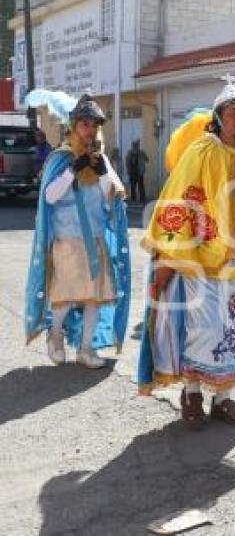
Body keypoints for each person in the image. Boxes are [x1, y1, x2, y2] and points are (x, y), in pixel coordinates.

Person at [137, 75, 235, 431]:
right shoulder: (201, 152)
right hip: (202, 262)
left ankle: (224, 398)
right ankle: (192, 394)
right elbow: (180, 202)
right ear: (219, 116)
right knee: (203, 331)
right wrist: (169, 259)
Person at [25, 94, 131, 368]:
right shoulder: (60, 159)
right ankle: (56, 334)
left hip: (95, 241)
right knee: (66, 297)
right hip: (66, 242)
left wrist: (103, 173)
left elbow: (114, 198)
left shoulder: (102, 160)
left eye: (94, 124)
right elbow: (49, 197)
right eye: (84, 124)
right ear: (73, 126)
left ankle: (86, 349)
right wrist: (73, 170)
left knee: (95, 298)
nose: (90, 129)